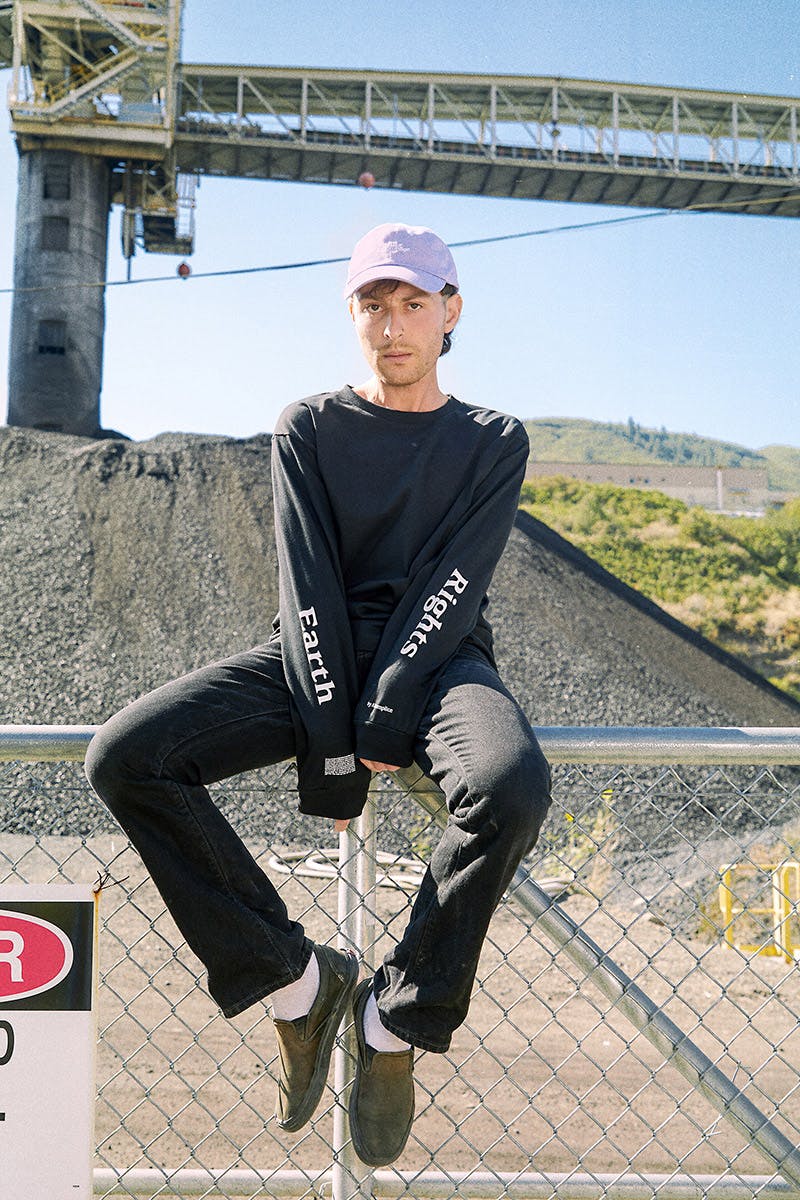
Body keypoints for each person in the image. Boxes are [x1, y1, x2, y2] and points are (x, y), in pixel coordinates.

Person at [85, 222, 552, 1168]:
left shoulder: (493, 440)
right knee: (128, 758)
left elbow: (453, 585)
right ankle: (298, 985)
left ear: (451, 312)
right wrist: (336, 745)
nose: (393, 325)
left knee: (510, 788)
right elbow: (309, 586)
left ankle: (395, 1020)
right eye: (373, 304)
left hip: (443, 661)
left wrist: (383, 715)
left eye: (413, 303)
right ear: (352, 314)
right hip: (313, 655)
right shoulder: (308, 426)